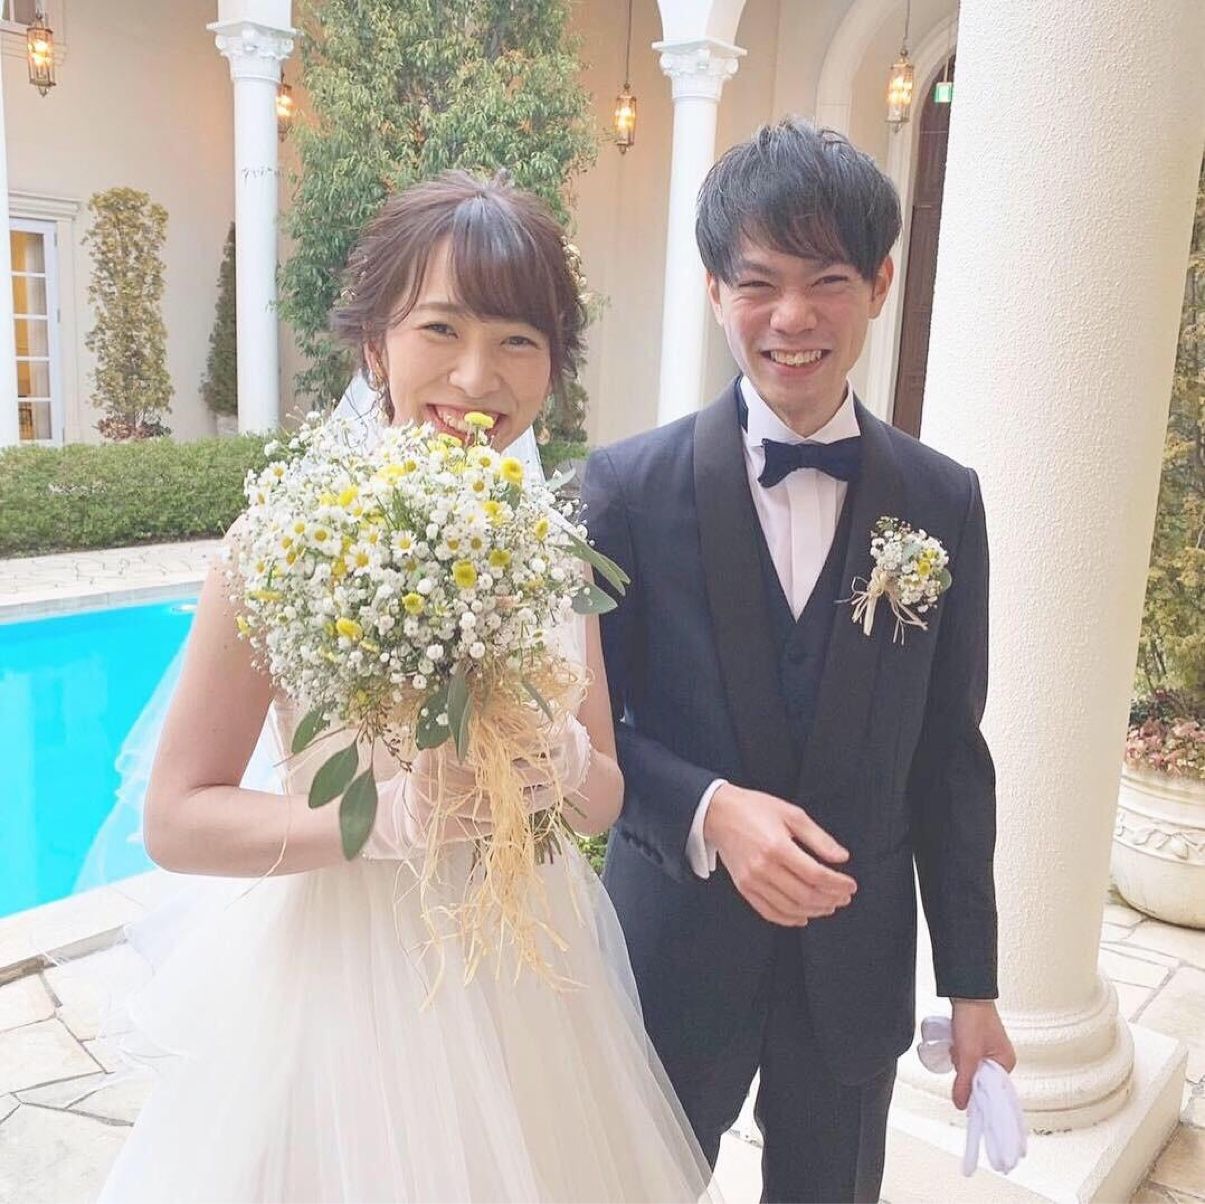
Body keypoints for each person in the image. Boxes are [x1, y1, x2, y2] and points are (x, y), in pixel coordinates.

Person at [97, 171, 716, 1204]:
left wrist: (561, 764)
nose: (477, 377)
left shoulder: (551, 549)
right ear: (375, 344)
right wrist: (384, 821)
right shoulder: (281, 543)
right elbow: (177, 816)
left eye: (518, 340)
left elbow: (602, 793)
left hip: (529, 977)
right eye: (440, 328)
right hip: (345, 981)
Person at [583, 118, 1016, 1204]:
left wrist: (971, 986)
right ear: (713, 289)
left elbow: (948, 757)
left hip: (852, 969)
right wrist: (708, 810)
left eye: (826, 281)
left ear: (878, 284)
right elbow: (586, 738)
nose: (791, 318)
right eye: (758, 283)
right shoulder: (624, 490)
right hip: (673, 954)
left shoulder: (942, 500)